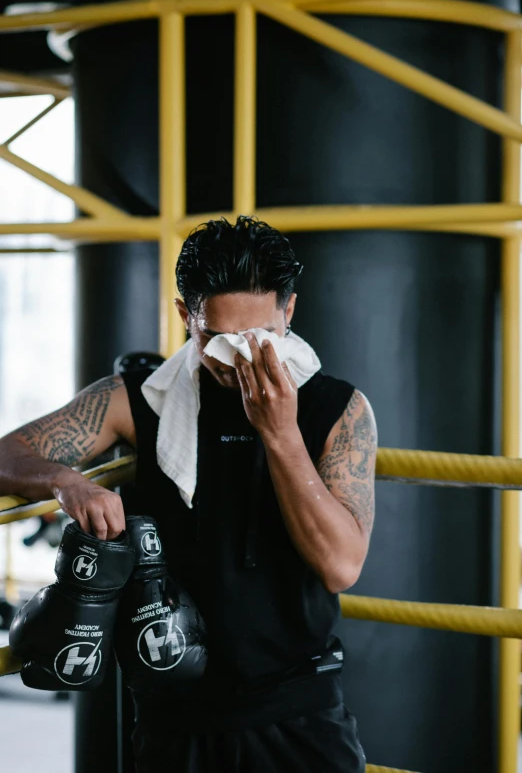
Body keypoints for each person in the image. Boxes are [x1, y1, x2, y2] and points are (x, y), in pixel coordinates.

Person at [0, 215, 377, 773]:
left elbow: (342, 566)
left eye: (259, 337)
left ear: (288, 312)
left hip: (297, 709)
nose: (238, 359)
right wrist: (67, 480)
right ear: (186, 317)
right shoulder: (140, 400)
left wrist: (279, 432)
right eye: (217, 339)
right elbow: (8, 453)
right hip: (174, 710)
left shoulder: (337, 410)